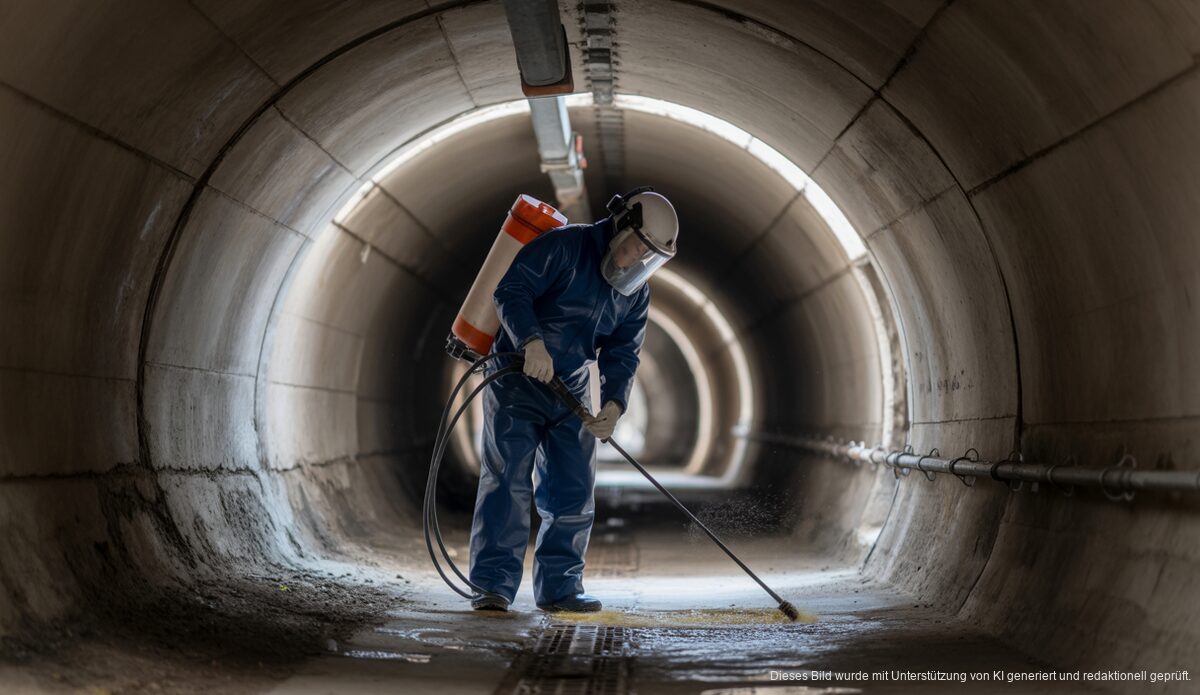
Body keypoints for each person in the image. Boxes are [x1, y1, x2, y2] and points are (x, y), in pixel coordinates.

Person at [467, 188, 679, 612]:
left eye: (648, 255)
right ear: (620, 225)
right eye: (637, 245)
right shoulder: (564, 247)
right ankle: (492, 586)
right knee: (507, 480)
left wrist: (614, 405)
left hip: (571, 388)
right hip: (517, 379)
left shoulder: (635, 292)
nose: (637, 259)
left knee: (573, 488)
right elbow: (511, 291)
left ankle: (560, 589)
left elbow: (623, 352)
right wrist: (532, 342)